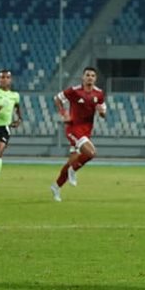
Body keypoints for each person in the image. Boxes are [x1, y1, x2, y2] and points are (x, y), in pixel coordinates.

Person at [50, 67, 107, 201]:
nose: (90, 78)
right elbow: (57, 98)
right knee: (91, 153)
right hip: (73, 128)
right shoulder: (74, 91)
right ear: (83, 77)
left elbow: (103, 113)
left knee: (72, 161)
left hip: (86, 132)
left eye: (93, 75)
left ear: (95, 78)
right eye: (87, 75)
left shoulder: (99, 94)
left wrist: (101, 112)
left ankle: (56, 187)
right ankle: (73, 170)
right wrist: (64, 113)